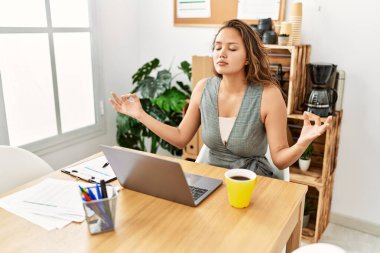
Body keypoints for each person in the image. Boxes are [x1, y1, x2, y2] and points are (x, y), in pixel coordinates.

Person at [110, 19, 332, 178]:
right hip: (210, 180)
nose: (221, 53)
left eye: (232, 48)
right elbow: (180, 137)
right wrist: (140, 115)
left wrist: (304, 141)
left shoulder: (268, 95)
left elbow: (280, 158)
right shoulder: (203, 88)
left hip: (251, 182)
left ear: (248, 58)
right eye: (217, 47)